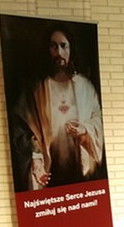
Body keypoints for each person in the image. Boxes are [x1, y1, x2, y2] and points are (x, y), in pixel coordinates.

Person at [14, 23, 105, 190]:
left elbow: (97, 117)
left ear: (71, 49)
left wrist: (85, 129)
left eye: (63, 46)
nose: (59, 52)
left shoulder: (84, 86)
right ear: (47, 49)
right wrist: (35, 156)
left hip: (80, 171)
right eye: (53, 46)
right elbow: (22, 127)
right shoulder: (36, 89)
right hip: (49, 171)